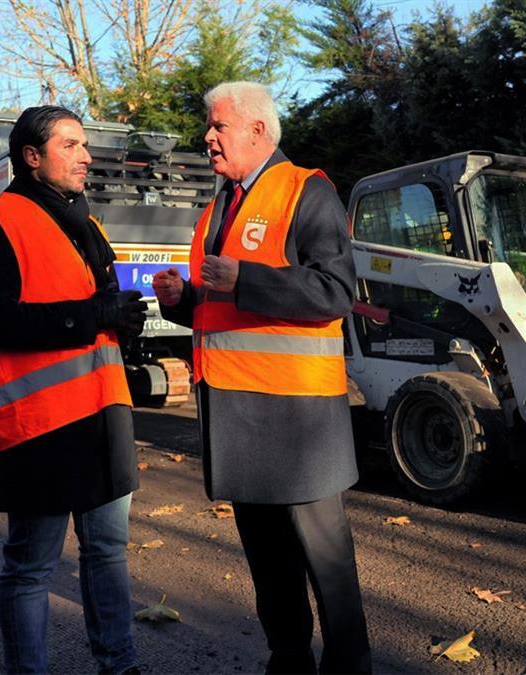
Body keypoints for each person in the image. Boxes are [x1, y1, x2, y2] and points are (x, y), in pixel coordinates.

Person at [152, 81, 371, 674]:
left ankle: (350, 666)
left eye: (218, 126)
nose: (208, 137)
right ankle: (289, 659)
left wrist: (240, 281)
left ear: (257, 130)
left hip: (298, 418)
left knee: (325, 559)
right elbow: (221, 307)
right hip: (237, 413)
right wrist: (184, 298)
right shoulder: (223, 201)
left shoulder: (307, 190)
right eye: (210, 126)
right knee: (269, 560)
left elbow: (334, 293)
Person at [0, 105, 148, 675]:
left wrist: (121, 318)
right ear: (32, 156)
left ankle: (119, 665)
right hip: (40, 423)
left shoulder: (87, 224)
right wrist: (93, 314)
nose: (86, 155)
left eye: (84, 144)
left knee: (108, 552)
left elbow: (95, 308)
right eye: (70, 145)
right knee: (31, 568)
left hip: (103, 414)